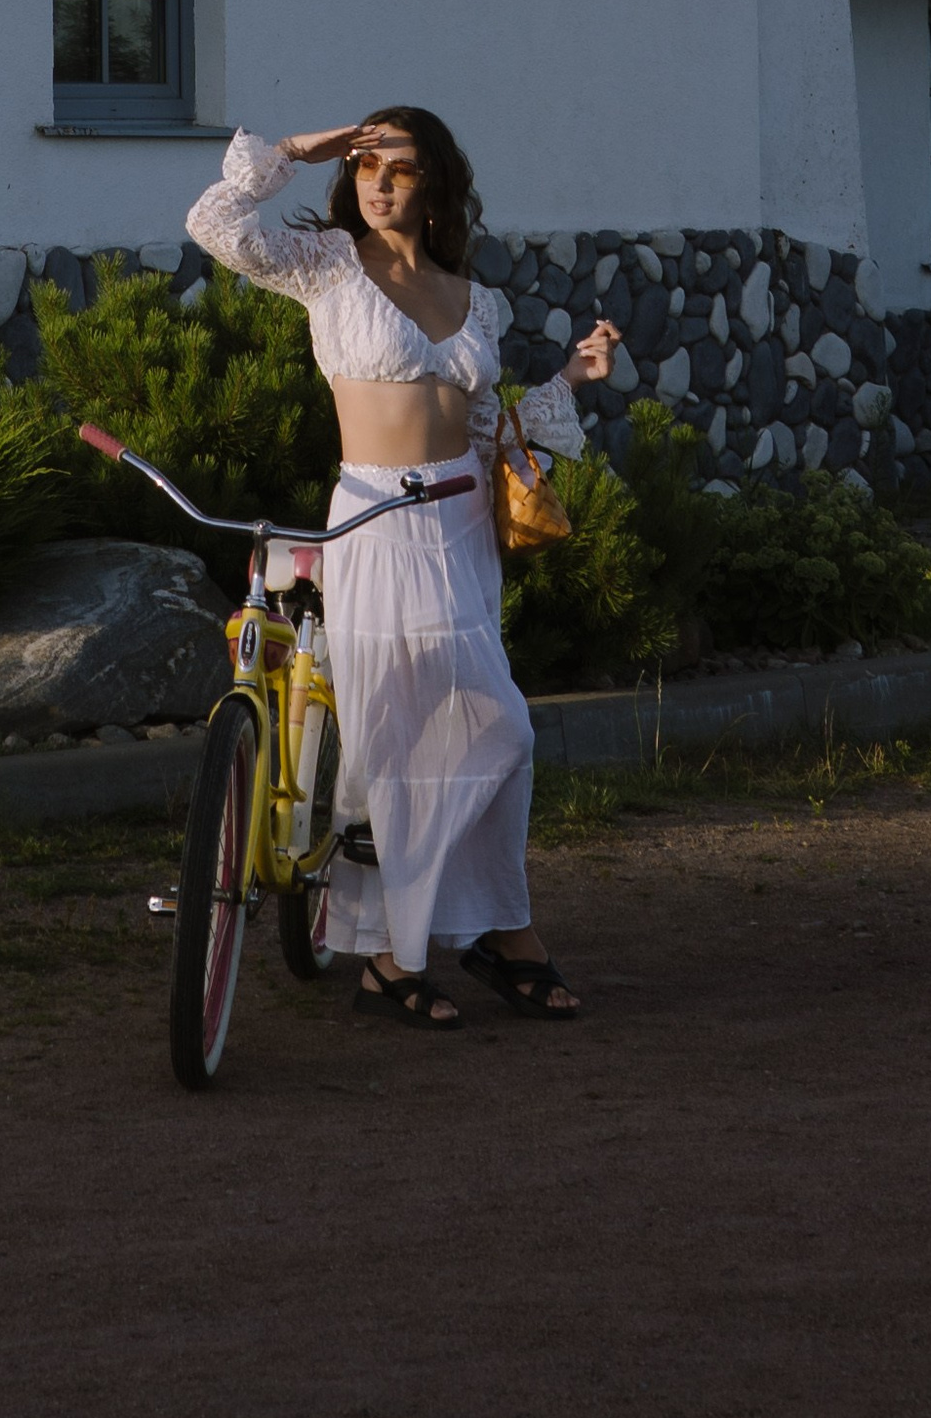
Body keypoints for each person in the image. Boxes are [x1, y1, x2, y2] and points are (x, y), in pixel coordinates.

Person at [184, 113, 619, 1029]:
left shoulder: (477, 299)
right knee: (408, 742)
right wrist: (299, 153)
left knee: (492, 731)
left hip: (461, 525)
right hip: (376, 522)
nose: (382, 183)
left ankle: (478, 937)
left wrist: (572, 381)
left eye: (403, 169)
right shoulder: (329, 266)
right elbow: (214, 224)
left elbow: (489, 429)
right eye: (369, 167)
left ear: (436, 187)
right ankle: (429, 949)